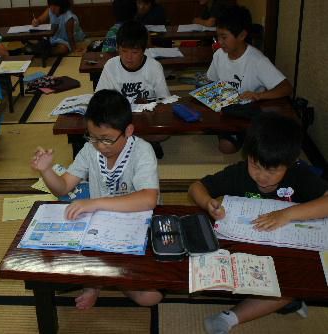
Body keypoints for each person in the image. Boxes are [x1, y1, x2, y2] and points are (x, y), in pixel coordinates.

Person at [188, 113, 328, 334]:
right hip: (248, 248)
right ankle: (282, 302)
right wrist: (208, 203)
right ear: (248, 156)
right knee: (209, 266)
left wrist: (287, 214)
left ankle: (230, 317)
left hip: (284, 250)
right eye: (255, 165)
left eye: (272, 171)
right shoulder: (240, 172)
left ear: (290, 163)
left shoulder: (300, 173)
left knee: (292, 286)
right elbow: (196, 187)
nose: (261, 176)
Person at [31, 89, 161, 310]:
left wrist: (94, 202)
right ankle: (99, 280)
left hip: (136, 222)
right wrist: (46, 171)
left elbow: (149, 199)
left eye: (107, 139)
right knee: (48, 262)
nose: (101, 146)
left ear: (128, 130)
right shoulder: (90, 150)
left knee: (151, 297)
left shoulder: (142, 151)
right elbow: (62, 187)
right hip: (99, 224)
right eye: (93, 138)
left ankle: (100, 280)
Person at [207, 5, 292, 154]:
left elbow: (286, 88)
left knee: (235, 147)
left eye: (224, 37)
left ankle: (250, 134)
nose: (219, 42)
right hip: (227, 109)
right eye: (217, 36)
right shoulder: (219, 55)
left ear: (241, 35)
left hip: (249, 111)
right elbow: (212, 80)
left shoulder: (257, 60)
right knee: (225, 146)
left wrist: (259, 95)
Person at [96, 20, 170, 159]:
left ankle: (128, 143)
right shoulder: (111, 65)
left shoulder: (154, 67)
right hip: (120, 119)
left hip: (146, 119)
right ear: (117, 48)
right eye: (124, 51)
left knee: (164, 132)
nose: (128, 57)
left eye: (135, 52)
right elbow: (100, 98)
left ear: (144, 50)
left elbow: (165, 101)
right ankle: (142, 144)